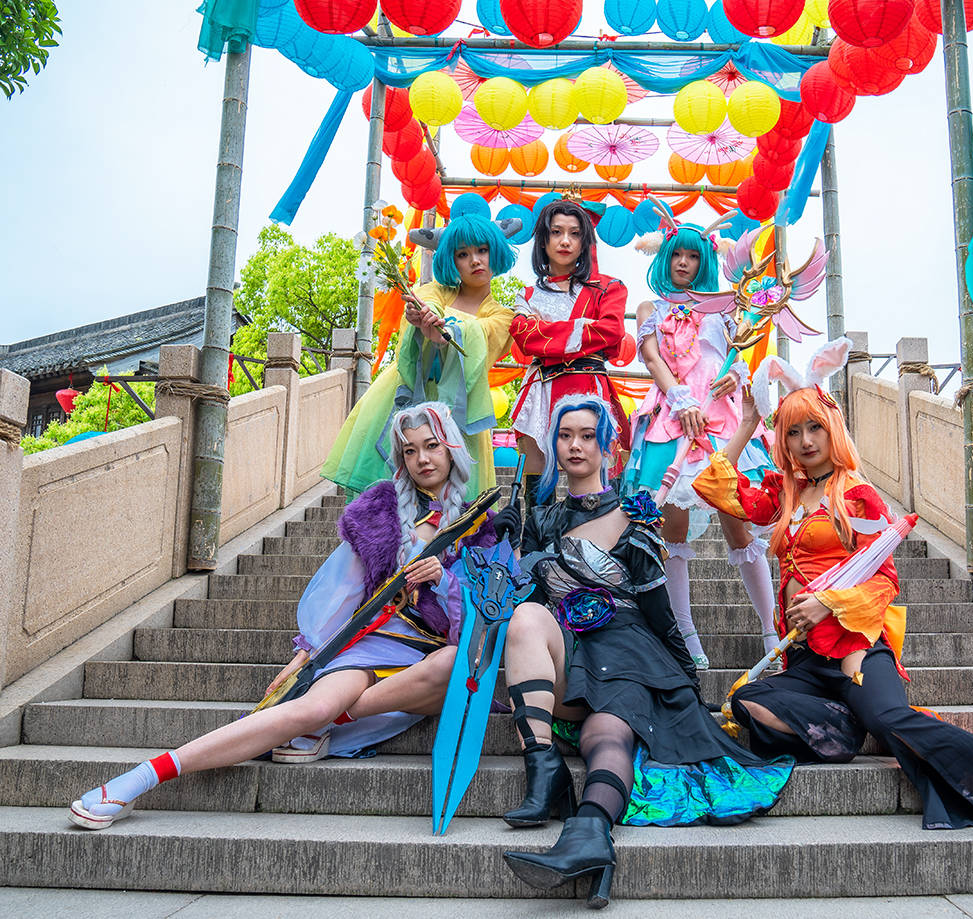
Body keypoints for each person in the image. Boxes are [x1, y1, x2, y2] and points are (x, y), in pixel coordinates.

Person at [692, 340, 973, 835]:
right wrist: (748, 422)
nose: (805, 441)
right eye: (793, 431)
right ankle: (852, 725)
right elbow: (714, 488)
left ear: (833, 427)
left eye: (814, 427)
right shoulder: (784, 493)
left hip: (855, 647)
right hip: (803, 660)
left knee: (892, 719)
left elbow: (884, 579)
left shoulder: (857, 496)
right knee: (746, 701)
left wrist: (827, 603)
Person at [69, 403, 506, 830]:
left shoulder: (483, 526)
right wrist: (304, 656)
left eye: (431, 445)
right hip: (372, 640)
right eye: (410, 450)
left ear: (451, 447)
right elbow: (342, 589)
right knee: (314, 705)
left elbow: (484, 616)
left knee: (457, 666)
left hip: (429, 658)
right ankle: (140, 778)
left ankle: (328, 722)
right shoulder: (380, 510)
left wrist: (445, 582)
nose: (422, 458)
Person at [499, 397, 792, 908]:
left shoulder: (633, 517)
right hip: (571, 655)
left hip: (627, 650)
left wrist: (686, 686)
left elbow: (661, 614)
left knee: (606, 732)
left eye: (586, 435)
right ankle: (542, 771)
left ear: (608, 448)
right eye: (565, 435)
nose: (574, 446)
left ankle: (590, 835)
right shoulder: (541, 519)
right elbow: (526, 603)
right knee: (524, 617)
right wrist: (504, 552)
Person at [623, 210, 778, 669]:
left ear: (704, 262)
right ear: (665, 258)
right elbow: (653, 359)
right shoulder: (651, 310)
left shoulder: (725, 308)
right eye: (677, 255)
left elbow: (737, 355)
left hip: (721, 420)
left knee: (737, 523)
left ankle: (771, 632)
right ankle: (686, 636)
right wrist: (680, 399)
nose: (684, 263)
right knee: (671, 529)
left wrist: (736, 374)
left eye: (692, 256)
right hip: (672, 420)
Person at [322, 214, 520, 499]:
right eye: (463, 254)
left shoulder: (504, 316)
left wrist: (447, 331)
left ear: (496, 251)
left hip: (459, 408)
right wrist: (424, 317)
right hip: (407, 394)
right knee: (387, 498)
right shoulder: (433, 291)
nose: (475, 260)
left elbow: (486, 334)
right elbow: (429, 303)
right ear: (451, 260)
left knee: (455, 503)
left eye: (482, 250)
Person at [509, 199, 631, 506]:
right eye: (556, 232)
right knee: (538, 493)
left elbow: (611, 332)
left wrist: (545, 332)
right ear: (543, 240)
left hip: (589, 387)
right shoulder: (527, 293)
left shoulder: (610, 288)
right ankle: (539, 538)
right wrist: (581, 328)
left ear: (585, 241)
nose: (565, 241)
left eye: (575, 233)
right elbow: (524, 337)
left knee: (593, 487)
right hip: (540, 390)